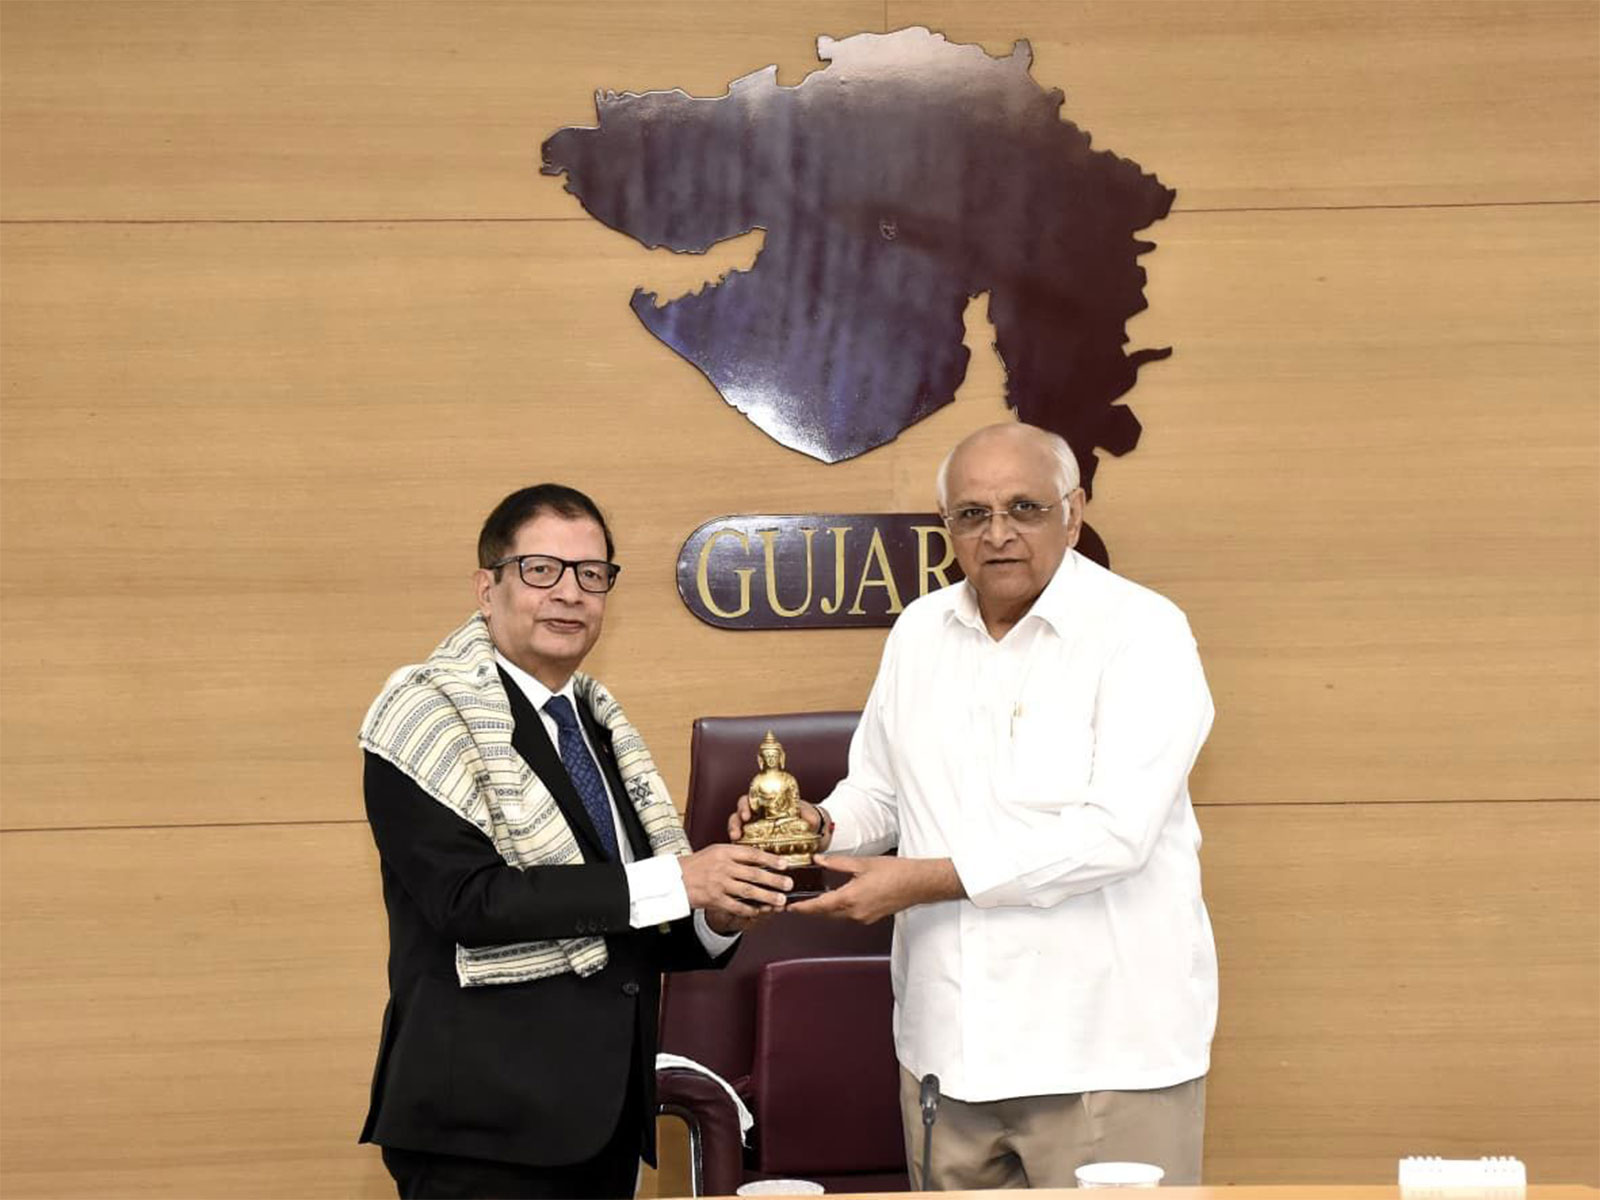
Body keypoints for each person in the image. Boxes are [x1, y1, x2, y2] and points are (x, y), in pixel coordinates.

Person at [732, 423, 1217, 1188]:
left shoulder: (1142, 632)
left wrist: (921, 881)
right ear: (947, 527)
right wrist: (813, 825)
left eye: (1024, 508)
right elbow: (881, 793)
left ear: (1073, 512)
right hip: (945, 1055)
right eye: (971, 514)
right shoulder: (921, 631)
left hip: (1105, 1055)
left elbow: (1114, 837)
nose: (997, 534)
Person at [359, 484, 792, 1199]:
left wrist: (718, 913)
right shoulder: (424, 720)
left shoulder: (594, 725)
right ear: (486, 586)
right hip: (484, 1133)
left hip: (605, 1124)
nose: (569, 593)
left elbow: (624, 922)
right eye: (541, 570)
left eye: (591, 574)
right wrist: (682, 880)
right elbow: (469, 901)